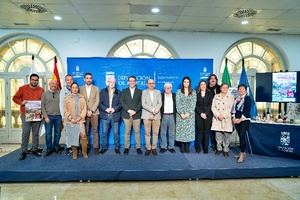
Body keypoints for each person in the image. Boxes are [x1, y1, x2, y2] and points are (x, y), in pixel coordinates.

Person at [13, 73, 44, 160]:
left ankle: (35, 149)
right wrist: (21, 102)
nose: (34, 81)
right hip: (26, 114)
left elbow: (43, 101)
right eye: (33, 79)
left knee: (36, 133)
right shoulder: (22, 88)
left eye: (36, 80)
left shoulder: (41, 90)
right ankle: (24, 151)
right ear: (30, 80)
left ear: (38, 81)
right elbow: (15, 98)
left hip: (37, 114)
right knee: (25, 133)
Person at [64, 82, 87, 159]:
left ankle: (84, 153)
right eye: (73, 87)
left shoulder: (82, 97)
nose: (74, 89)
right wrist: (71, 118)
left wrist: (79, 118)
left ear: (78, 88)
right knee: (73, 137)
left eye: (76, 87)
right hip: (72, 121)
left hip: (80, 120)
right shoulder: (67, 98)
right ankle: (75, 153)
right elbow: (65, 110)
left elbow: (84, 109)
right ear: (71, 88)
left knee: (83, 136)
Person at [120, 76, 143, 155]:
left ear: (135, 82)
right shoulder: (124, 91)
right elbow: (122, 102)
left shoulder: (140, 91)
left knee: (137, 132)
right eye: (130, 81)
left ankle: (138, 147)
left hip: (137, 115)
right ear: (128, 82)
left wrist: (135, 111)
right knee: (127, 132)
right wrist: (129, 110)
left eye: (133, 81)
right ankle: (126, 147)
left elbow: (141, 103)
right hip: (126, 115)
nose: (132, 82)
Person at [99, 77, 122, 154]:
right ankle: (104, 148)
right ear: (107, 82)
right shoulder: (102, 91)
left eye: (113, 82)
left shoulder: (119, 92)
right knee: (104, 132)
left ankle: (117, 148)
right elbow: (99, 103)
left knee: (116, 133)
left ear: (115, 83)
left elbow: (121, 104)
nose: (111, 83)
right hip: (105, 115)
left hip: (115, 115)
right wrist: (106, 109)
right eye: (110, 82)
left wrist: (114, 109)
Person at [211, 83, 234, 157]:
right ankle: (219, 149)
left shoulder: (231, 97)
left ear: (228, 89)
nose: (224, 89)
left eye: (226, 87)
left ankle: (226, 149)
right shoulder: (216, 96)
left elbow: (231, 108)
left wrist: (223, 116)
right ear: (220, 88)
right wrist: (218, 115)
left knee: (227, 135)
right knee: (218, 135)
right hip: (217, 118)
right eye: (223, 87)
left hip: (226, 118)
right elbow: (213, 107)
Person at [80, 72, 100, 154]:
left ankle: (96, 147)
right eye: (87, 78)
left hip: (94, 113)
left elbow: (97, 100)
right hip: (84, 113)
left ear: (92, 79)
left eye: (90, 78)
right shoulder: (80, 88)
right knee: (86, 131)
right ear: (84, 79)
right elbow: (80, 101)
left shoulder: (96, 88)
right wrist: (86, 111)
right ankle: (86, 146)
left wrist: (91, 110)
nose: (89, 79)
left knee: (95, 130)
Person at [176, 76, 197, 153]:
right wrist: (181, 113)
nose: (186, 83)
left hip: (190, 115)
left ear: (189, 83)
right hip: (180, 115)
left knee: (188, 131)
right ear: (182, 83)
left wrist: (188, 113)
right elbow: (177, 103)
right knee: (181, 131)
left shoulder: (193, 92)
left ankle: (187, 146)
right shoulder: (178, 92)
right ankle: (182, 146)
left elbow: (193, 103)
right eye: (184, 82)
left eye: (187, 82)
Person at [41, 80, 62, 156]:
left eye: (55, 84)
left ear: (57, 85)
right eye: (52, 83)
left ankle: (56, 146)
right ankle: (49, 148)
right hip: (48, 116)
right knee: (48, 134)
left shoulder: (60, 93)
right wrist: (45, 116)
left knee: (58, 133)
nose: (54, 85)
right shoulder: (44, 94)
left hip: (58, 116)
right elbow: (42, 106)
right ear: (49, 84)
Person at [141, 79, 162, 156]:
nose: (151, 84)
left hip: (156, 115)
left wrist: (155, 112)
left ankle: (154, 148)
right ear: (147, 84)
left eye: (153, 83)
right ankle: (148, 148)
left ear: (154, 84)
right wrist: (152, 110)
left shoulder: (158, 92)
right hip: (146, 115)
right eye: (149, 83)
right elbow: (143, 104)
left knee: (155, 133)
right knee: (147, 133)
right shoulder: (144, 92)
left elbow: (160, 103)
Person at [232, 84, 252, 163]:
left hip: (244, 120)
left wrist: (240, 119)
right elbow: (234, 110)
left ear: (246, 90)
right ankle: (242, 152)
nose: (241, 90)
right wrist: (233, 117)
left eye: (242, 89)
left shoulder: (247, 98)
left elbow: (247, 111)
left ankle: (242, 154)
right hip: (236, 120)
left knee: (242, 136)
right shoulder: (237, 99)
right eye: (239, 89)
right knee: (240, 137)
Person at [195, 80, 213, 154]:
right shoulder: (196, 93)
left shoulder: (210, 93)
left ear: (206, 85)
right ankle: (198, 148)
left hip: (208, 115)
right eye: (201, 84)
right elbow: (195, 105)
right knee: (199, 132)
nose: (203, 86)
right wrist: (201, 113)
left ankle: (206, 148)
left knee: (206, 132)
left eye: (204, 84)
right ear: (199, 86)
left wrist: (206, 113)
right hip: (199, 115)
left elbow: (210, 105)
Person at [160, 82, 176, 153]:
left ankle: (171, 147)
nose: (168, 89)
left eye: (169, 88)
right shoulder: (161, 95)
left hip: (172, 115)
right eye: (166, 88)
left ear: (171, 88)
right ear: (164, 88)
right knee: (163, 132)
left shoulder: (174, 95)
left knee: (171, 132)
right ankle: (163, 147)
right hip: (164, 115)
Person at [207, 74, 221, 152]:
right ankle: (213, 145)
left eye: (214, 78)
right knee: (211, 130)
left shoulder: (219, 88)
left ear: (216, 80)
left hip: (218, 112)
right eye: (211, 78)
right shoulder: (206, 87)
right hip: (209, 113)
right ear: (209, 80)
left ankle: (219, 145)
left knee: (218, 130)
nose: (213, 80)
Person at [60, 74, 74, 154]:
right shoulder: (63, 91)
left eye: (71, 79)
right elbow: (61, 104)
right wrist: (62, 115)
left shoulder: (75, 89)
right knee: (68, 131)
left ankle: (74, 146)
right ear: (66, 81)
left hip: (74, 115)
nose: (69, 81)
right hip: (66, 115)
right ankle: (69, 147)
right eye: (68, 80)